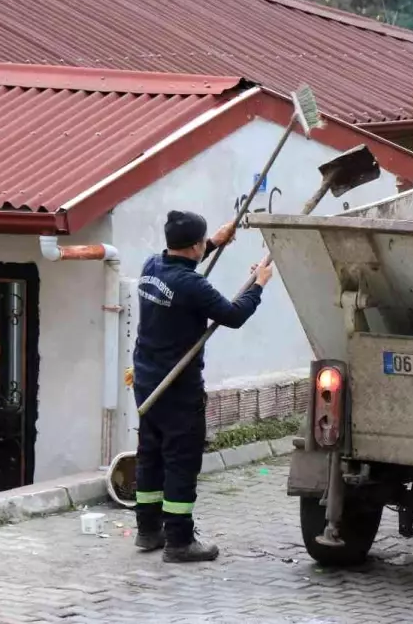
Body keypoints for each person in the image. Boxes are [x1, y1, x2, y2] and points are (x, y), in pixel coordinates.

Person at [132, 210, 274, 562]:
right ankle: (179, 540)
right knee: (181, 460)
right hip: (178, 388)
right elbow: (234, 315)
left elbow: (181, 273)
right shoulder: (193, 286)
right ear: (194, 245)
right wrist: (259, 284)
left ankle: (148, 530)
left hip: (148, 382)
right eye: (203, 242)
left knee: (150, 455)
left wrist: (214, 243)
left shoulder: (151, 266)